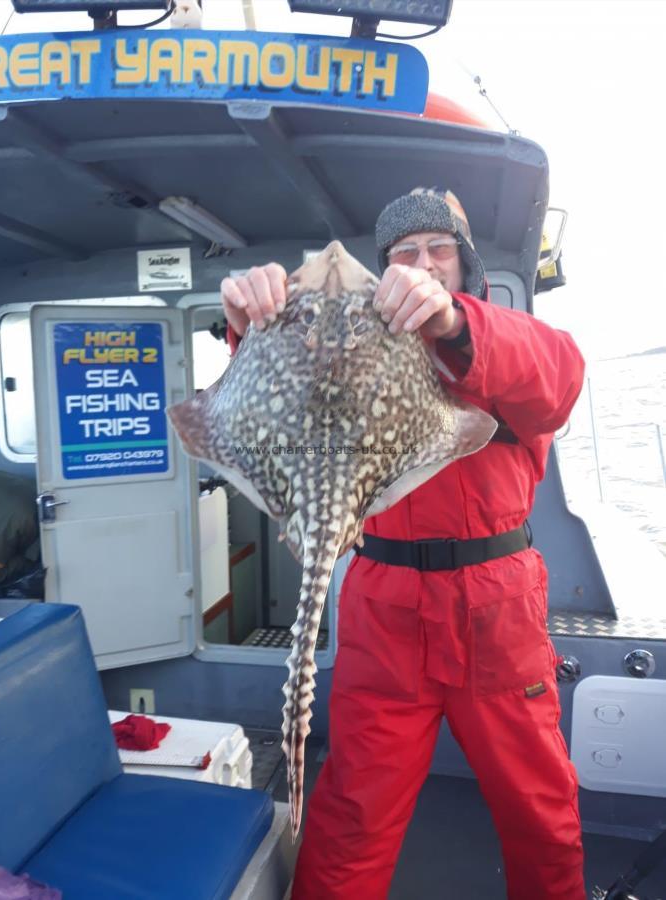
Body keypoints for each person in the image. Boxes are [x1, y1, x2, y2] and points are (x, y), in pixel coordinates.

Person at [220, 187, 586, 900]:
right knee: (352, 813)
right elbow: (269, 402)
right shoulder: (348, 350)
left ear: (464, 264)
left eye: (437, 250)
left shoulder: (502, 340)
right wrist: (250, 325)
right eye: (403, 255)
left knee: (539, 811)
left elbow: (559, 380)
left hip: (495, 609)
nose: (421, 265)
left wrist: (451, 322)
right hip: (382, 608)